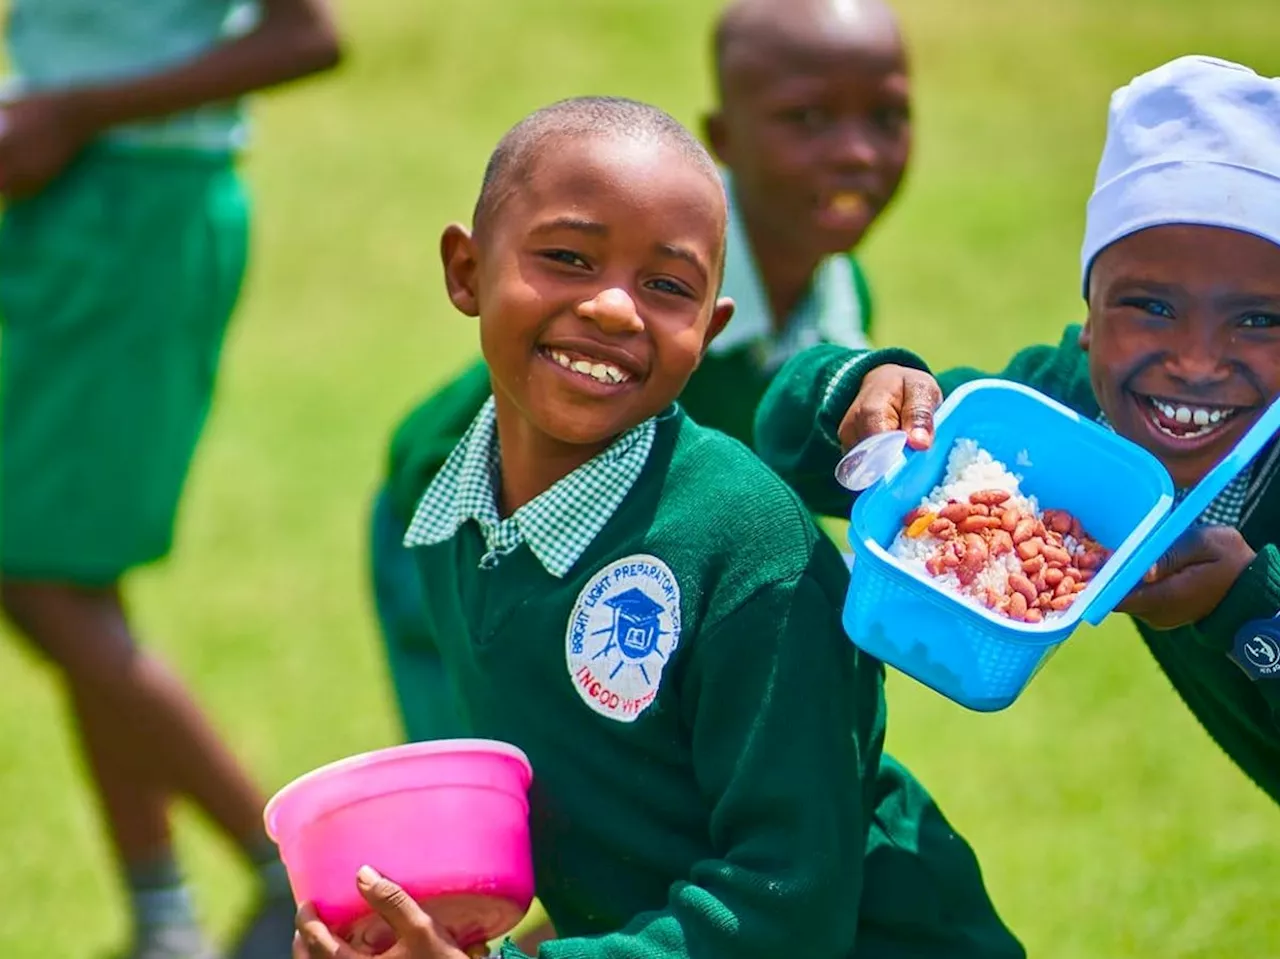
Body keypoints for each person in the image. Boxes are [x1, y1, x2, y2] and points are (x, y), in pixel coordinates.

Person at [297, 96, 1021, 959]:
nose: (612, 308)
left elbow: (787, 902)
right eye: (567, 257)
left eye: (667, 286)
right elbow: (605, 826)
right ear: (466, 269)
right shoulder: (454, 514)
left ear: (709, 331)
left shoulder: (749, 547)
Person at [372, 0, 911, 746]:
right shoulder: (636, 313)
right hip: (461, 551)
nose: (855, 152)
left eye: (886, 118)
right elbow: (432, 454)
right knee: (489, 784)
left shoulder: (838, 293)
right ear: (726, 140)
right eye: (808, 119)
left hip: (628, 571)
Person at [755, 54, 1280, 809]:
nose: (1196, 361)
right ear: (1089, 319)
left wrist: (1244, 607)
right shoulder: (1062, 407)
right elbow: (785, 432)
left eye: (1258, 319)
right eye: (1150, 307)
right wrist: (869, 385)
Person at [0, 3, 342, 957]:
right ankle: (164, 919)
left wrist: (77, 113)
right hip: (58, 190)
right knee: (59, 580)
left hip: (138, 206)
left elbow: (309, 36)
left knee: (34, 572)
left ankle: (287, 870)